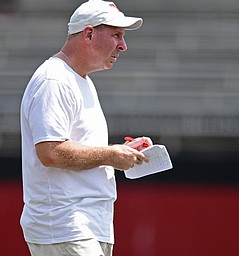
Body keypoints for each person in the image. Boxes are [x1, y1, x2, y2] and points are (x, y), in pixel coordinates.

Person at [20, 1, 152, 255]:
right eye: (116, 35)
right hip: (65, 225)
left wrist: (119, 151)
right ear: (89, 34)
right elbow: (51, 152)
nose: (123, 45)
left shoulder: (78, 79)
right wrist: (110, 155)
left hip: (83, 225)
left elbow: (70, 146)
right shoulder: (54, 80)